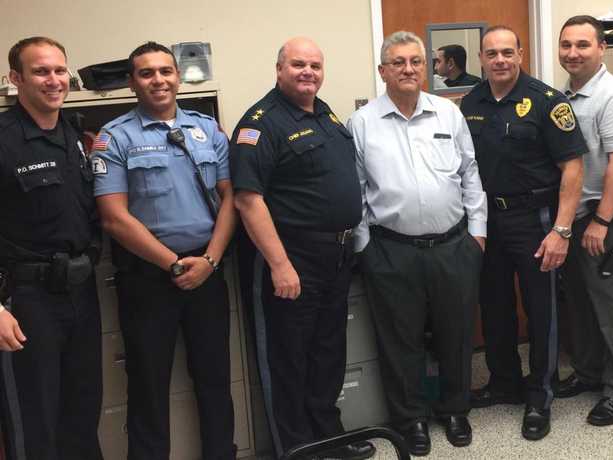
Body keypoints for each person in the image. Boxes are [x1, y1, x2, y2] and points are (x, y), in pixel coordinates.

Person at [230, 37, 375, 460]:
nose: (307, 72)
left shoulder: (324, 113)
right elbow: (247, 199)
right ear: (279, 69)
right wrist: (279, 264)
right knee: (288, 357)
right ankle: (295, 448)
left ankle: (328, 434)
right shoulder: (261, 123)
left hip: (335, 255)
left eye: (314, 64)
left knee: (328, 350)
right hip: (291, 256)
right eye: (298, 64)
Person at [92, 42, 237, 459]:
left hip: (207, 272)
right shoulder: (115, 137)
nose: (159, 80)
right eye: (146, 73)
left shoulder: (206, 129)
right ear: (133, 81)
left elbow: (231, 198)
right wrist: (173, 265)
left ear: (178, 75)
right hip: (148, 279)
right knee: (148, 385)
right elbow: (114, 218)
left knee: (214, 380)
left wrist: (209, 260)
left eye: (166, 71)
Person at [350, 30, 487, 456]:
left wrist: (477, 235)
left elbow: (470, 175)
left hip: (453, 246)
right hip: (391, 251)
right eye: (398, 63)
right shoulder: (362, 123)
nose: (409, 69)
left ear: (425, 67)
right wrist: (365, 248)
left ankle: (454, 409)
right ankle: (410, 420)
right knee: (400, 340)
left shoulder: (448, 113)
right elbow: (354, 191)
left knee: (456, 333)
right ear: (383, 71)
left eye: (416, 61)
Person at [460, 25, 586, 440]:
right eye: (491, 53)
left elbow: (573, 168)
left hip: (535, 219)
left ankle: (540, 395)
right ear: (481, 58)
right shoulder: (470, 102)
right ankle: (503, 382)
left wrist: (561, 230)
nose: (499, 60)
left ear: (520, 54)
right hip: (487, 221)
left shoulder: (547, 101)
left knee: (541, 310)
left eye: (507, 52)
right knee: (493, 305)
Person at [0, 36, 103, 459]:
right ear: (15, 79)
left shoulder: (77, 136)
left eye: (61, 70)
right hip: (26, 300)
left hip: (80, 291)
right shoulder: (4, 140)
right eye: (41, 71)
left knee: (82, 414)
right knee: (34, 423)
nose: (54, 80)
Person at [555, 15, 613, 426]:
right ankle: (589, 373)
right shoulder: (565, 95)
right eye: (566, 44)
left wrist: (603, 221)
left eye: (582, 45)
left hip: (606, 218)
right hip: (576, 215)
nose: (573, 53)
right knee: (582, 303)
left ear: (601, 48)